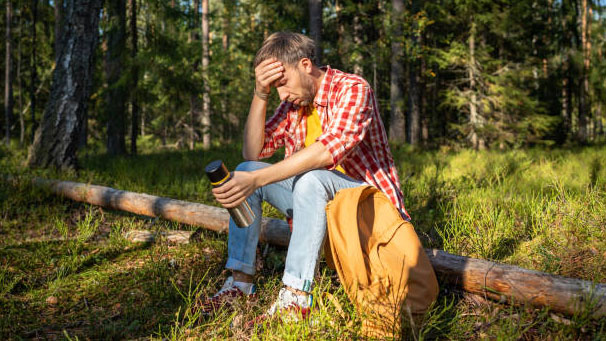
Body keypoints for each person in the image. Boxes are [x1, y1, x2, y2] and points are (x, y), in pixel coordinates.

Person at [197, 32, 410, 324]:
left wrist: (259, 180)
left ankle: (296, 298)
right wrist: (260, 94)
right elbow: (252, 151)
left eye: (282, 83)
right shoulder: (292, 106)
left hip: (367, 216)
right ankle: (240, 285)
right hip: (319, 213)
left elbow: (327, 152)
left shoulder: (352, 88)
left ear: (306, 64)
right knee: (245, 170)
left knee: (310, 178)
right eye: (275, 88)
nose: (281, 95)